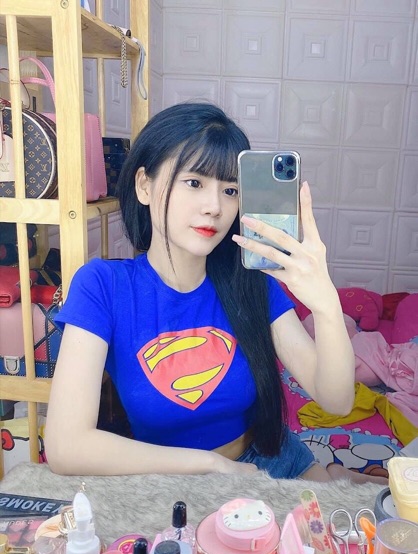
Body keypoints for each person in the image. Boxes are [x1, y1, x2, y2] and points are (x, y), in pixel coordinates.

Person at [45, 102, 370, 483]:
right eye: (194, 183)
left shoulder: (252, 284)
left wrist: (326, 304)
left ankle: (336, 473)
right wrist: (211, 465)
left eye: (230, 190)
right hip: (168, 477)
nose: (215, 207)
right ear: (144, 186)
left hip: (271, 462)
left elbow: (337, 401)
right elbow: (66, 446)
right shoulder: (103, 286)